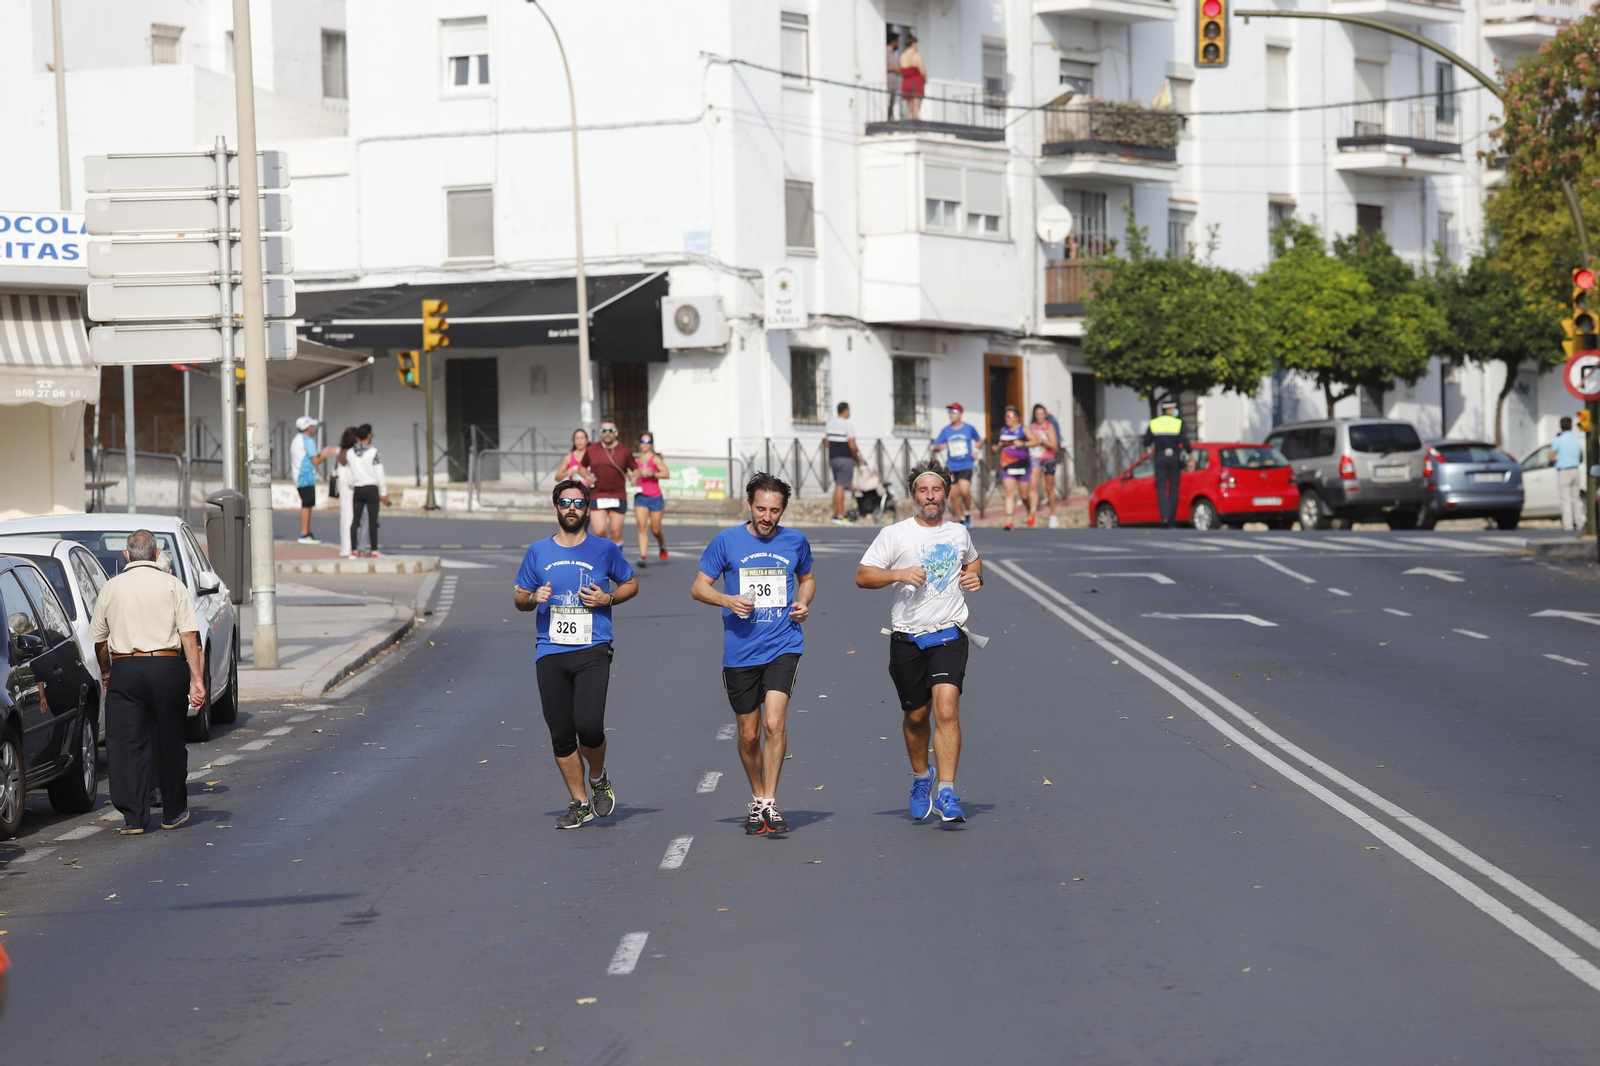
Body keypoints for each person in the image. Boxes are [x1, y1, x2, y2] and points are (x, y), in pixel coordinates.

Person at [855, 460, 982, 823]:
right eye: (923, 490)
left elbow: (974, 564)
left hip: (949, 633)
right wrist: (898, 573)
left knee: (946, 709)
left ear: (946, 494)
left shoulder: (959, 533)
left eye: (936, 490)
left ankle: (946, 791)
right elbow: (863, 577)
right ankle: (921, 778)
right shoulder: (894, 534)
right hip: (907, 637)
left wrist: (976, 579)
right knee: (915, 716)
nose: (930, 496)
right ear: (914, 496)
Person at [692, 472, 816, 835]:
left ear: (783, 510)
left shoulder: (795, 541)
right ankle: (756, 794)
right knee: (748, 735)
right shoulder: (726, 541)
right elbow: (699, 587)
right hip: (741, 652)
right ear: (749, 505)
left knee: (775, 723)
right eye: (761, 509)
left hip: (783, 644)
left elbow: (807, 579)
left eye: (774, 510)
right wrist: (727, 599)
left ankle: (769, 803)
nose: (767, 517)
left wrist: (803, 603)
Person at [513, 480, 639, 829]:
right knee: (561, 733)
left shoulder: (605, 549)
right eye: (565, 502)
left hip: (593, 647)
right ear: (556, 507)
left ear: (587, 509)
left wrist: (608, 598)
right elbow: (519, 598)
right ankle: (580, 801)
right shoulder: (538, 551)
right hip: (550, 650)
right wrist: (533, 598)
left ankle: (598, 778)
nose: (571, 508)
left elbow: (630, 583)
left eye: (578, 503)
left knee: (589, 725)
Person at [89, 529, 206, 835]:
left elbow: (100, 641)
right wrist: (197, 679)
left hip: (126, 667)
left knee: (128, 742)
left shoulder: (111, 588)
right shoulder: (172, 585)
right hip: (167, 665)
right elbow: (188, 636)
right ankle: (172, 811)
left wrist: (107, 673)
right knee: (170, 738)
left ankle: (134, 817)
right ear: (156, 555)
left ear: (126, 556)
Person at [583, 421, 636, 546]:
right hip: (597, 494)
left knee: (615, 533)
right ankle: (603, 561)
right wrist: (586, 476)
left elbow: (636, 468)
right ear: (600, 433)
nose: (607, 434)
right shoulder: (591, 450)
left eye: (610, 431)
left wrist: (635, 477)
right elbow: (582, 466)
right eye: (604, 431)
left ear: (616, 433)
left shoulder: (624, 450)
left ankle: (616, 562)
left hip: (617, 495)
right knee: (599, 531)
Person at [931, 403, 982, 526]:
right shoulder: (946, 430)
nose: (951, 414)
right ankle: (962, 518)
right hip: (952, 466)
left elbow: (979, 440)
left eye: (954, 411)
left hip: (966, 464)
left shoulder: (969, 428)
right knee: (953, 494)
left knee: (964, 491)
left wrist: (975, 450)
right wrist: (940, 447)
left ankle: (968, 512)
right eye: (949, 412)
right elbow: (935, 446)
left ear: (960, 413)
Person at [1142, 399, 1190, 528]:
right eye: (1174, 408)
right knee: (1174, 489)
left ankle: (1164, 516)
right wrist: (1190, 457)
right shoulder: (1178, 423)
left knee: (1161, 488)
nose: (1175, 411)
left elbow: (1146, 441)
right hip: (1174, 457)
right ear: (1169, 410)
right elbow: (1185, 442)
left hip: (1160, 457)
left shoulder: (1154, 423)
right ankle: (1171, 519)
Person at [288, 416, 336, 544]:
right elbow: (315, 460)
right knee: (307, 504)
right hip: (306, 476)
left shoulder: (296, 439)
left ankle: (306, 532)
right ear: (307, 427)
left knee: (306, 504)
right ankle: (304, 533)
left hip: (298, 475)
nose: (313, 428)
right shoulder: (307, 440)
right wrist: (325, 455)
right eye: (311, 426)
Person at [345, 423, 390, 557]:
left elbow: (348, 473)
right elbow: (379, 473)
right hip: (371, 488)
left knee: (355, 521)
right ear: (369, 435)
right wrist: (383, 492)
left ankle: (353, 549)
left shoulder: (350, 452)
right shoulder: (373, 452)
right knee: (372, 520)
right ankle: (374, 550)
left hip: (358, 488)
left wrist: (353, 483)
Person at [993, 405, 1037, 530]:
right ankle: (1009, 519)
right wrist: (997, 447)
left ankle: (1029, 510)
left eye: (1010, 416)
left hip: (1022, 463)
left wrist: (1023, 443)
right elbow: (1003, 443)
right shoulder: (1004, 430)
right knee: (1009, 492)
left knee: (1024, 495)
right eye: (1006, 416)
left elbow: (1036, 441)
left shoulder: (1024, 429)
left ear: (1017, 418)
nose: (1008, 418)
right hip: (1007, 464)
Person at [633, 431, 670, 568]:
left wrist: (652, 473)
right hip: (641, 497)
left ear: (651, 444)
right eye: (643, 441)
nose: (645, 444)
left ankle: (661, 542)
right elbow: (634, 476)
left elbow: (666, 474)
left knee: (655, 529)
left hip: (655, 497)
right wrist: (633, 478)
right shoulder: (636, 460)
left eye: (648, 442)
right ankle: (643, 556)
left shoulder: (655, 459)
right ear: (639, 444)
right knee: (642, 527)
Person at [826, 401, 864, 524]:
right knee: (841, 486)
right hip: (844, 458)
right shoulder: (847, 425)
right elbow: (852, 445)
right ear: (846, 410)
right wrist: (857, 457)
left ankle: (835, 514)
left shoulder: (830, 423)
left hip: (833, 457)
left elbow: (827, 443)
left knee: (837, 485)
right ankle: (840, 515)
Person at [1551, 416, 1586, 531]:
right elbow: (1580, 454)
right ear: (1571, 426)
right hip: (1575, 470)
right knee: (1575, 499)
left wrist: (1557, 459)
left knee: (1565, 499)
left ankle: (1568, 525)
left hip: (1564, 470)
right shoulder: (1575, 439)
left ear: (1560, 426)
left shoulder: (1559, 440)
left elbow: (1551, 456)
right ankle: (1579, 523)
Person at [1030, 404, 1062, 529]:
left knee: (1049, 489)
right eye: (1037, 414)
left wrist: (1042, 441)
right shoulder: (1032, 427)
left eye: (1041, 414)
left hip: (1048, 458)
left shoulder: (1049, 427)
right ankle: (1032, 515)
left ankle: (1053, 514)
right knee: (1033, 487)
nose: (1039, 416)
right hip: (1035, 459)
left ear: (1045, 415)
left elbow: (1055, 446)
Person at [334, 426, 358, 558]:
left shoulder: (340, 452)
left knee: (345, 518)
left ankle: (345, 547)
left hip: (343, 489)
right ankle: (352, 547)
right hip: (351, 488)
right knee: (354, 519)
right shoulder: (351, 453)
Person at [899, 34, 926, 121]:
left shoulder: (902, 56)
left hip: (906, 82)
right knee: (916, 110)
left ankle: (910, 129)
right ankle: (913, 130)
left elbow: (901, 70)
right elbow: (922, 70)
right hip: (916, 82)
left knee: (910, 110)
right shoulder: (917, 55)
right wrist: (924, 79)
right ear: (914, 44)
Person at [885, 29, 902, 121]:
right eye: (898, 41)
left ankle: (891, 119)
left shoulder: (893, 53)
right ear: (893, 41)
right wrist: (893, 69)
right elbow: (881, 68)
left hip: (893, 85)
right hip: (888, 85)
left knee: (892, 105)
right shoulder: (885, 52)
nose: (899, 43)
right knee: (887, 104)